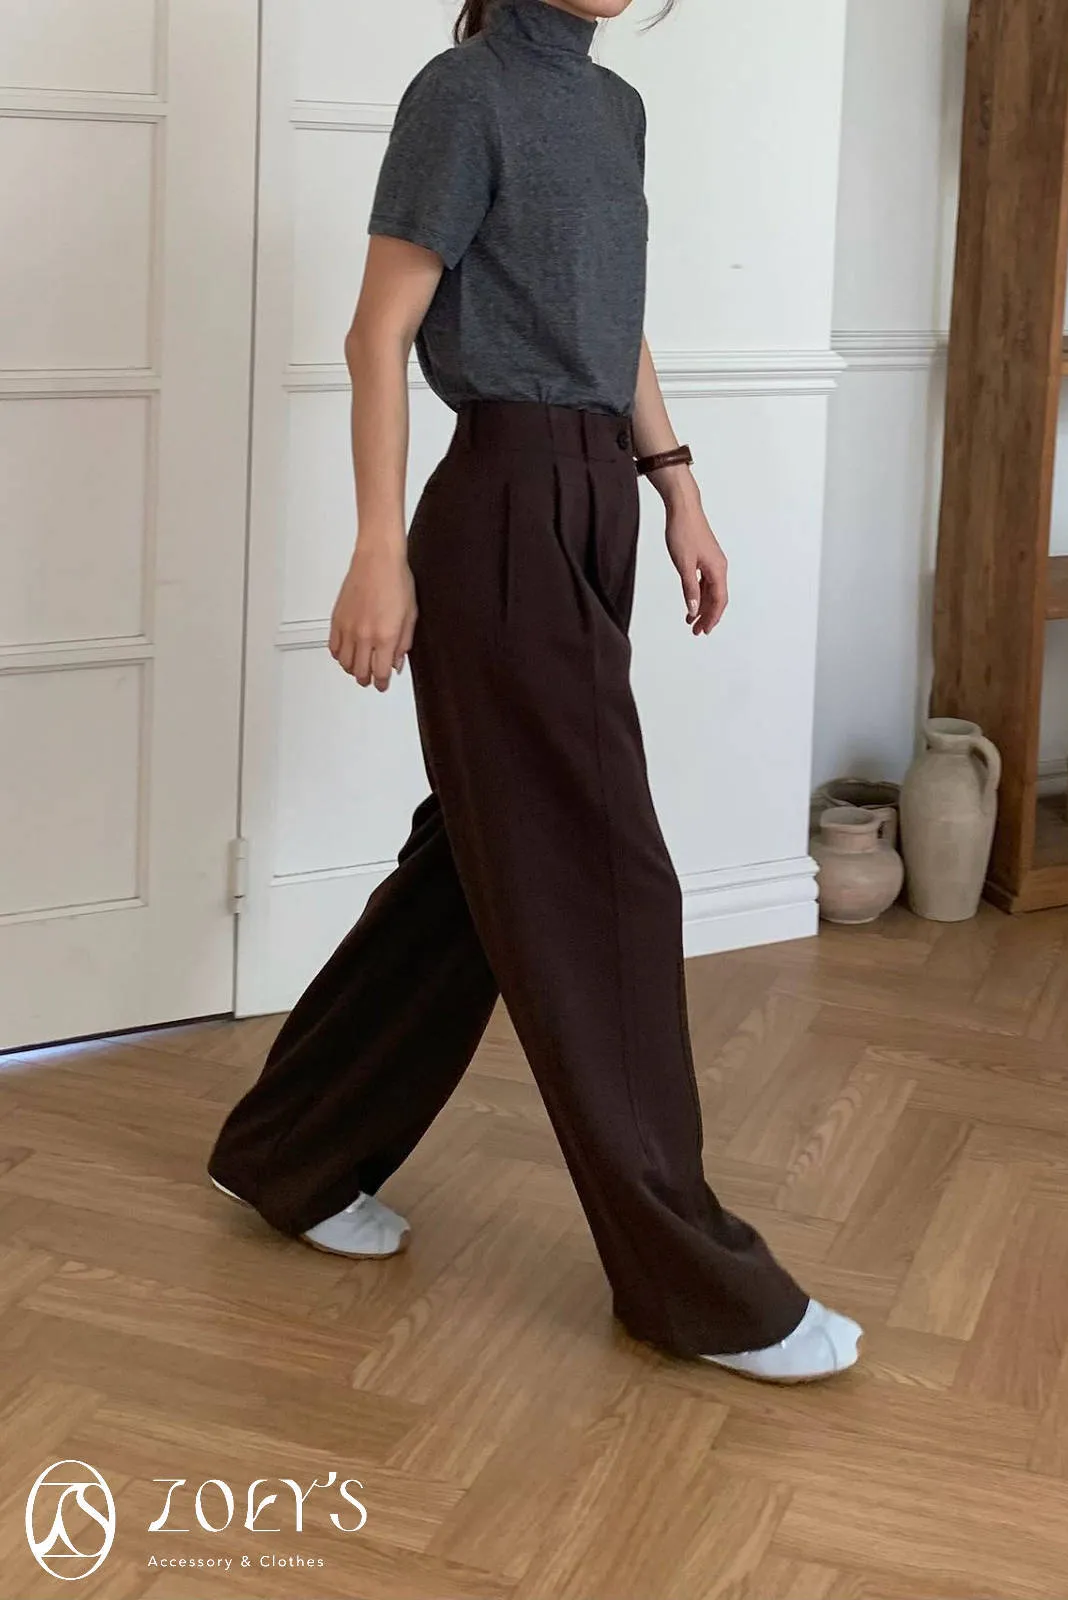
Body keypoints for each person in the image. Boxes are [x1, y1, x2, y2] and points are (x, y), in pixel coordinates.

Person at [208, 0, 861, 1385]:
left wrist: (676, 487)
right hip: (500, 503)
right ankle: (697, 1286)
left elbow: (613, 325)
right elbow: (378, 334)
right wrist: (378, 548)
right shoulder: (465, 92)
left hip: (594, 500)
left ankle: (290, 1153)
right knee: (606, 878)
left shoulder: (614, 109)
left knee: (477, 865)